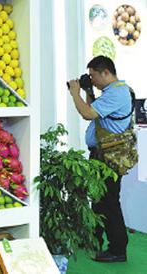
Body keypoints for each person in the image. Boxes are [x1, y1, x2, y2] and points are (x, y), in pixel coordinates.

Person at [68, 55, 131, 262]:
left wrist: (75, 93)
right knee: (99, 201)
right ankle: (94, 241)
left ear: (106, 72)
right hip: (102, 155)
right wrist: (88, 92)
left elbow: (87, 114)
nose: (92, 79)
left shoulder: (118, 93)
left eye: (93, 76)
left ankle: (118, 249)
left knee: (110, 202)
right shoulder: (111, 92)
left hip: (110, 158)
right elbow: (95, 112)